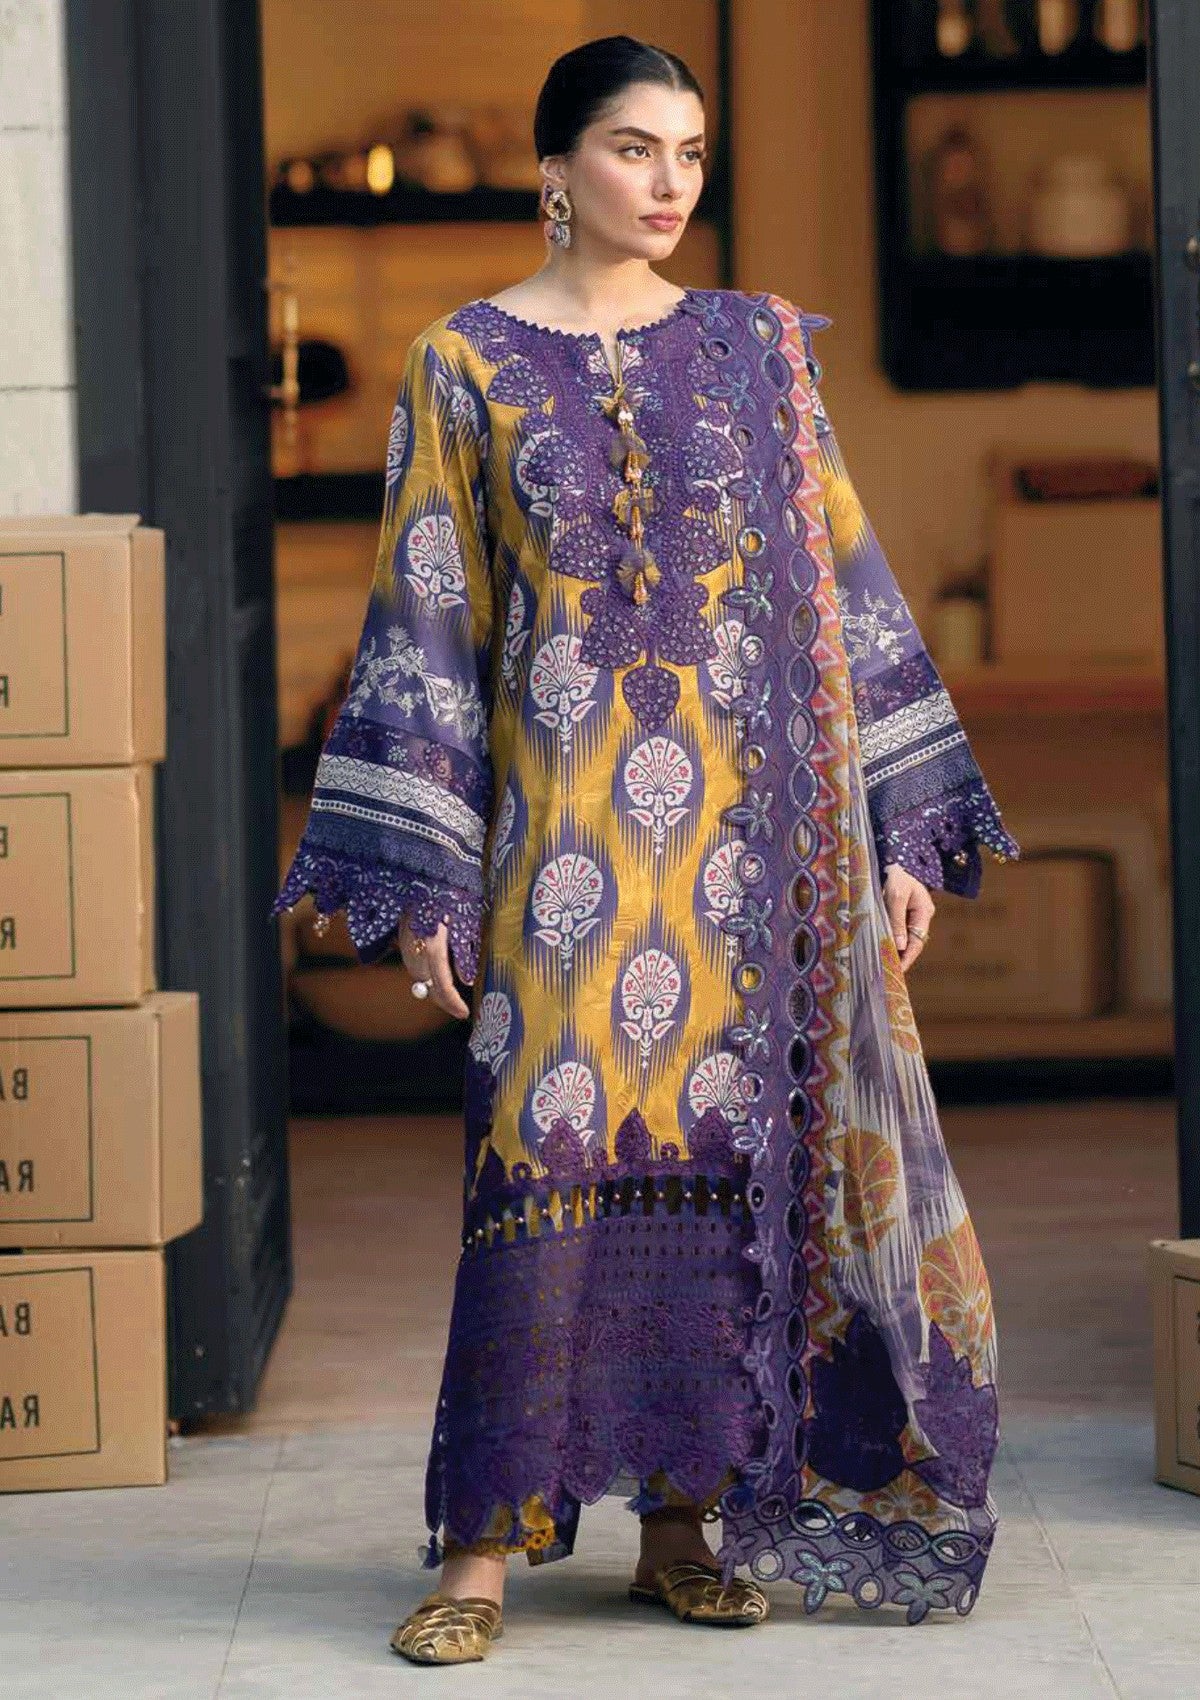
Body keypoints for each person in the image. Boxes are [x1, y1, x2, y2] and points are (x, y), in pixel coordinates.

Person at [274, 34, 1021, 1666]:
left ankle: (683, 1524)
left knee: (718, 1166)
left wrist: (896, 821)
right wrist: (424, 875)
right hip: (560, 854)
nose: (669, 181)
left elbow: (848, 582)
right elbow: (424, 615)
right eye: (633, 148)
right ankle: (479, 1552)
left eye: (689, 151)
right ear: (556, 169)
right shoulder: (464, 364)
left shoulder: (756, 351)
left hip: (748, 865)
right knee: (539, 1152)